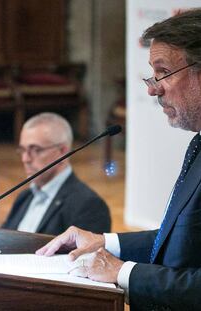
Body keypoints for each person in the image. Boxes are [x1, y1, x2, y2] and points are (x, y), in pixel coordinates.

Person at [36, 9, 201, 311]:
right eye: (152, 75)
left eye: (163, 72)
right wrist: (104, 243)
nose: (153, 89)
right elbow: (181, 240)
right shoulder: (198, 143)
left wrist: (121, 271)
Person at [2, 113, 110, 235]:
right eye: (22, 150)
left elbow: (85, 253)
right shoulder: (24, 196)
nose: (25, 159)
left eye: (36, 150)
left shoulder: (88, 205)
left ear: (63, 152)